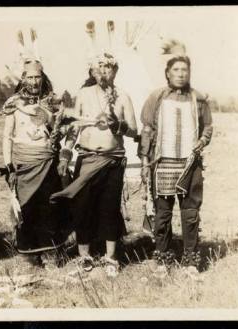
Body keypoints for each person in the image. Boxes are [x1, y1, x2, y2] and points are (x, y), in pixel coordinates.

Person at [51, 52, 137, 273]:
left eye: (109, 68)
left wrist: (118, 125)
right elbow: (73, 130)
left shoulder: (123, 96)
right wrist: (65, 155)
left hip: (112, 162)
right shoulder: (83, 94)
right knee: (83, 208)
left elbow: (134, 131)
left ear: (115, 71)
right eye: (100, 68)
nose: (104, 72)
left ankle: (110, 258)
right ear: (93, 72)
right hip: (86, 158)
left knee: (109, 208)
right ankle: (84, 256)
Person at [138, 40, 213, 272]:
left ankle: (191, 260)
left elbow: (207, 127)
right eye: (176, 70)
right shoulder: (157, 97)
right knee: (162, 214)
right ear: (167, 73)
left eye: (185, 70)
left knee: (190, 214)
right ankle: (163, 258)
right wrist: (144, 161)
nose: (181, 74)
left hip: (190, 163)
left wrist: (202, 141)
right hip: (162, 164)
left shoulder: (197, 98)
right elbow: (147, 129)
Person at [1, 31, 71, 267]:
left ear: (43, 78)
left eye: (37, 77)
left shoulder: (53, 102)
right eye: (29, 78)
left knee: (49, 207)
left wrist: (50, 118)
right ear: (22, 79)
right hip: (23, 163)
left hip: (47, 162)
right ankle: (30, 256)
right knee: (27, 209)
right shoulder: (13, 104)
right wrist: (8, 164)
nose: (33, 82)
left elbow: (61, 132)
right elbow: (7, 137)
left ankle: (52, 254)